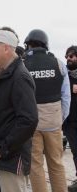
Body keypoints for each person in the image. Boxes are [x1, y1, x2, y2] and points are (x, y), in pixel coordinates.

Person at [0, 28, 39, 192]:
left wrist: (1, 150)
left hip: (12, 156)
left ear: (6, 48)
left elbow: (29, 120)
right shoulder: (4, 73)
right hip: (4, 155)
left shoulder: (19, 76)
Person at [23, 29, 70, 192]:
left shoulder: (22, 64)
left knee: (36, 166)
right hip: (54, 122)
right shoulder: (58, 63)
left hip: (31, 124)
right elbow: (66, 97)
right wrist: (60, 119)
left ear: (28, 44)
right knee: (56, 163)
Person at [64, 45, 77, 192]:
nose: (68, 59)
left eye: (72, 56)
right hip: (70, 122)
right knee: (75, 151)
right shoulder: (64, 75)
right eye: (67, 56)